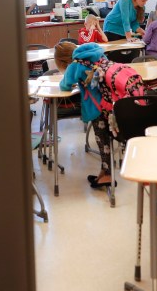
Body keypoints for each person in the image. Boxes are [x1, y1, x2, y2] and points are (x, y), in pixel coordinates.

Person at [57, 42, 146, 188]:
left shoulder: (76, 64)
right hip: (113, 105)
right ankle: (107, 172)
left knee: (103, 142)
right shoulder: (100, 55)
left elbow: (64, 85)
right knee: (111, 139)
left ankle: (106, 175)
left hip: (97, 109)